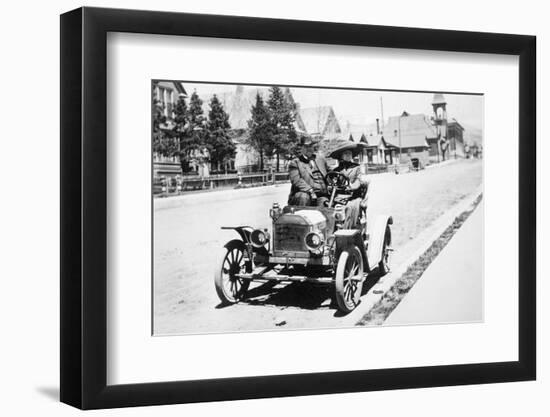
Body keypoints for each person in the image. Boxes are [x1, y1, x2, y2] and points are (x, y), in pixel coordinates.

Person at [329, 142, 370, 229]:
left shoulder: (357, 167)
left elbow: (359, 180)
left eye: (350, 154)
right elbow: (333, 181)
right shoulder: (337, 169)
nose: (348, 155)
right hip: (339, 196)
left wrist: (351, 186)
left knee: (350, 207)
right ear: (341, 156)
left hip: (354, 196)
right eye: (346, 153)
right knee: (328, 207)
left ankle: (348, 227)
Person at [288, 136, 330, 206]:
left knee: (326, 204)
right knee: (303, 197)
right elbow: (297, 181)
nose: (309, 149)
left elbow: (330, 173)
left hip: (321, 195)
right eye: (306, 147)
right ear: (301, 148)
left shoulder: (321, 159)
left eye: (311, 146)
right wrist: (310, 191)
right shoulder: (295, 162)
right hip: (305, 194)